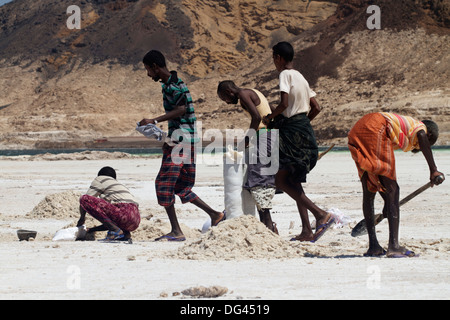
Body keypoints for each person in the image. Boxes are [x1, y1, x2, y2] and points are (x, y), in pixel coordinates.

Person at [139, 50, 225, 241]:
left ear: (155, 67)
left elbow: (181, 109)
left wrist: (154, 120)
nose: (148, 74)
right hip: (185, 140)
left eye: (148, 69)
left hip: (182, 141)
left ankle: (176, 231)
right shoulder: (175, 83)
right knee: (181, 186)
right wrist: (167, 140)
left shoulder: (173, 87)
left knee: (163, 185)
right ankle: (215, 214)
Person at [262, 41, 334, 242]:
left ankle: (321, 215)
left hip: (292, 134)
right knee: (294, 181)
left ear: (278, 57)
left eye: (274, 59)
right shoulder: (301, 77)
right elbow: (316, 108)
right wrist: (301, 124)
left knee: (280, 180)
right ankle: (306, 231)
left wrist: (269, 118)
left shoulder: (285, 75)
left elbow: (284, 104)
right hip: (304, 131)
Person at [348, 112, 445, 257]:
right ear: (429, 135)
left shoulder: (401, 130)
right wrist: (434, 170)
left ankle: (374, 246)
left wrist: (388, 202)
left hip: (357, 131)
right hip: (376, 126)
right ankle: (394, 246)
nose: (420, 148)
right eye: (428, 145)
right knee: (393, 189)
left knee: (370, 187)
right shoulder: (420, 127)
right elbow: (422, 136)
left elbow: (380, 176)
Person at [217, 80, 278, 234]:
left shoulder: (243, 94)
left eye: (224, 98)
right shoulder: (254, 91)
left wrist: (246, 139)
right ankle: (267, 225)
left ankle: (268, 227)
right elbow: (272, 110)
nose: (227, 102)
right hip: (269, 135)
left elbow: (256, 117)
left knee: (258, 179)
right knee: (257, 177)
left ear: (229, 91)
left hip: (264, 136)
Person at [77, 166, 140, 242]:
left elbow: (88, 198)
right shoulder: (119, 186)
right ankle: (125, 234)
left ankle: (116, 232)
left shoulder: (100, 179)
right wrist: (92, 230)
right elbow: (111, 222)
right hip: (135, 219)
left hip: (123, 212)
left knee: (84, 199)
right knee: (116, 219)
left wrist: (82, 218)